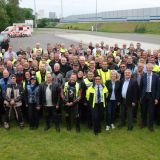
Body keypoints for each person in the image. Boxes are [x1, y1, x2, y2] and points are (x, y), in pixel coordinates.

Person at [140, 63, 159, 131]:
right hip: (144, 95)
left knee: (151, 112)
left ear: (152, 68)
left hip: (152, 96)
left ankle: (151, 126)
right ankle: (144, 123)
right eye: (147, 68)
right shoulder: (143, 75)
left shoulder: (156, 76)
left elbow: (158, 88)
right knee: (143, 111)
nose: (149, 69)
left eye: (150, 68)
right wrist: (140, 97)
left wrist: (156, 98)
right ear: (146, 68)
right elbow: (141, 87)